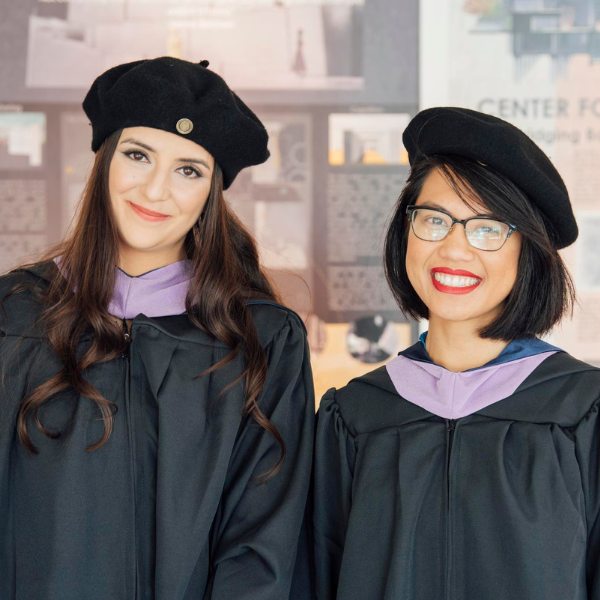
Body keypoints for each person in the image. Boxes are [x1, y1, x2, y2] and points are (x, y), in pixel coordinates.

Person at [0, 57, 314, 600]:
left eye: (188, 170)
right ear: (103, 161)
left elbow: (263, 542)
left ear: (211, 194)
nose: (155, 189)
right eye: (138, 155)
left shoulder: (260, 339)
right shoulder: (13, 313)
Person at [313, 107, 600, 599]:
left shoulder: (583, 411)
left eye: (487, 227)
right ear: (406, 231)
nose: (454, 248)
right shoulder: (354, 417)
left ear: (526, 251)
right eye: (434, 219)